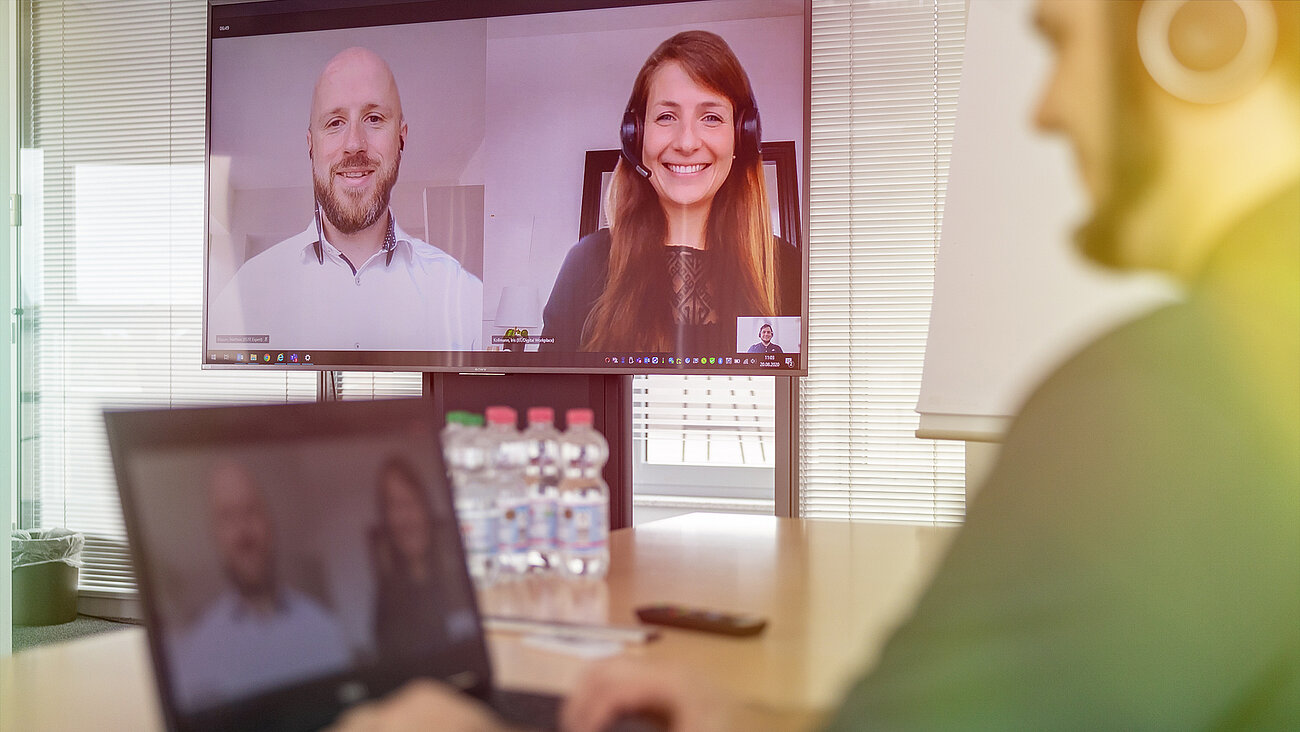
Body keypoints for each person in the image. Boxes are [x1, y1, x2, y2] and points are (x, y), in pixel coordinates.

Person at [329, 1, 1300, 729]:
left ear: (1202, 36)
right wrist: (742, 719)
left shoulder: (1174, 402)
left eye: (1060, 47)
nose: (1046, 110)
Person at [540, 31, 800, 355]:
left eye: (711, 117)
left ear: (741, 137)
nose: (687, 143)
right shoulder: (586, 262)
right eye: (666, 117)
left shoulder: (789, 269)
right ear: (635, 136)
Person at [209, 47, 482, 352]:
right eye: (335, 122)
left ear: (401, 137)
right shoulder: (246, 292)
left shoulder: (462, 295)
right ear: (311, 145)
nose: (354, 144)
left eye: (374, 118)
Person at [171, 460, 351, 711]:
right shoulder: (196, 657)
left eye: (251, 511)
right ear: (215, 535)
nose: (243, 531)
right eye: (228, 517)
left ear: (270, 522)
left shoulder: (324, 628)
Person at [368, 457, 469, 660]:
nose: (405, 518)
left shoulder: (459, 576)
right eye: (395, 505)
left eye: (410, 502)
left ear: (425, 507)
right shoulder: (386, 601)